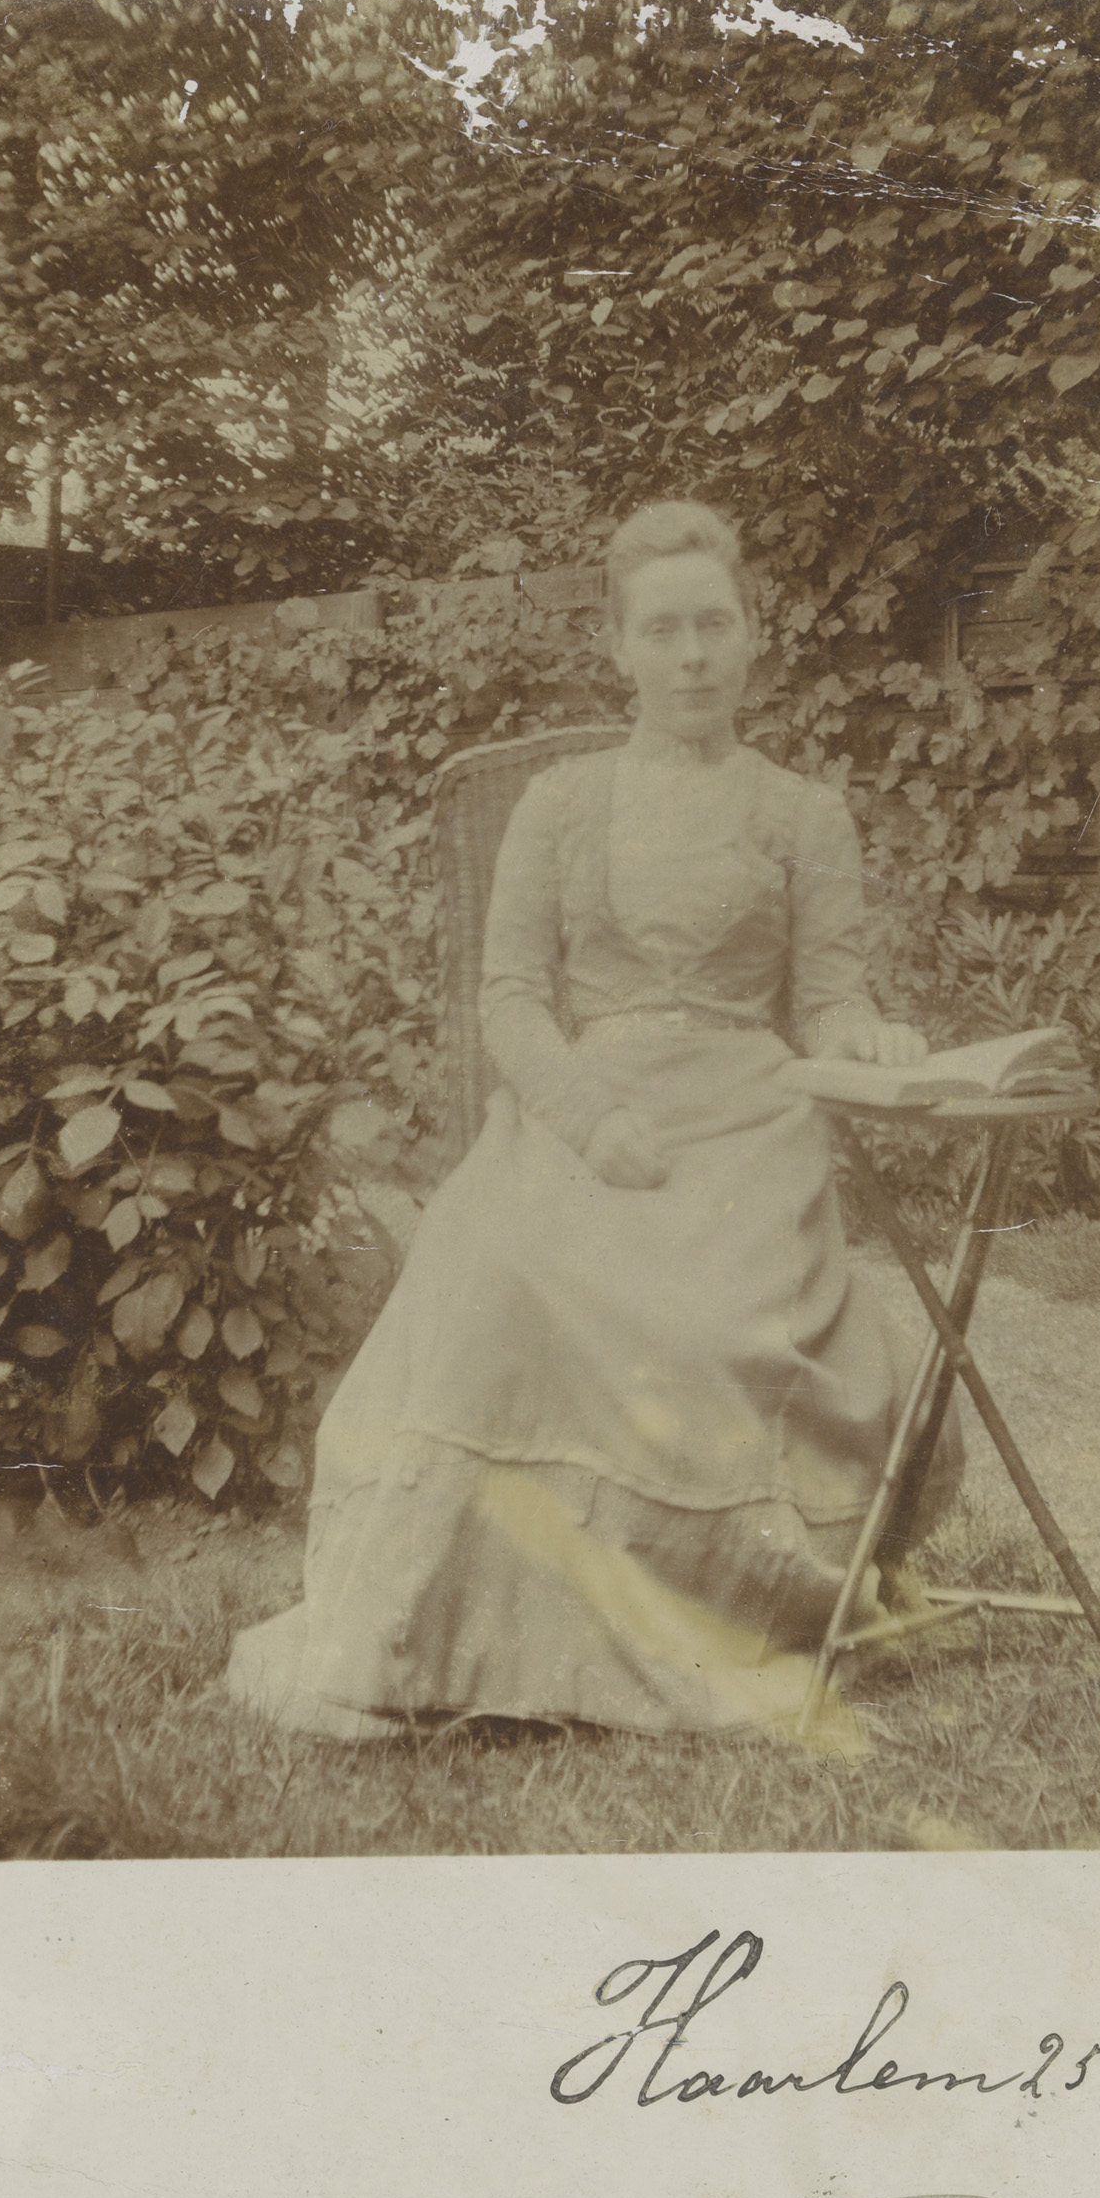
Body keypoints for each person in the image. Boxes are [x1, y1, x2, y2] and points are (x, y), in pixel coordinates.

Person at [226, 500, 960, 1743]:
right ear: (616, 646)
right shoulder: (560, 805)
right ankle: (449, 1626)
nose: (692, 657)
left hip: (742, 1133)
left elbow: (830, 1001)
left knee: (703, 1330)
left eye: (713, 625)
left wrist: (869, 1037)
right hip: (583, 1119)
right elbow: (510, 1000)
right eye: (661, 630)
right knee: (496, 1277)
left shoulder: (802, 814)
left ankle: (706, 1606)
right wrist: (584, 1115)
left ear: (753, 634)